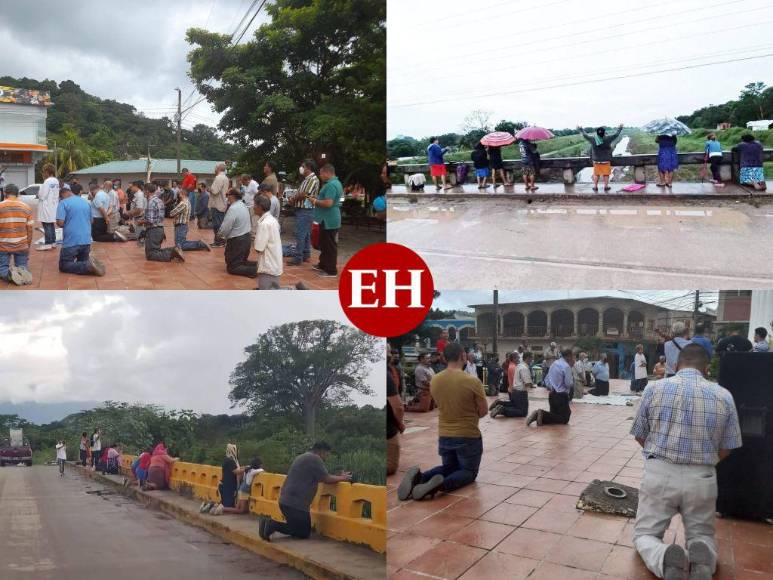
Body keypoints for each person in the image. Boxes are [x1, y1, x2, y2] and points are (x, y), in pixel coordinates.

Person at [630, 344, 742, 580]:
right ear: (707, 368)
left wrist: (659, 455)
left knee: (645, 535)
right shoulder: (724, 395)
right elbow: (728, 447)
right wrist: (704, 462)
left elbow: (640, 434)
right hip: (702, 478)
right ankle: (703, 560)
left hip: (659, 473)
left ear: (675, 365)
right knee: (702, 534)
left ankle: (663, 558)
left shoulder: (654, 389)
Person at [397, 343, 487, 501]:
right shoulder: (473, 382)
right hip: (468, 435)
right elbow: (483, 411)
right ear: (463, 356)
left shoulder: (435, 380)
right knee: (468, 472)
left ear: (444, 358)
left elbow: (440, 403)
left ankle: (421, 478)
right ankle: (440, 486)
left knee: (450, 467)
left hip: (444, 434)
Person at [259, 442, 352, 542]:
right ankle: (272, 525)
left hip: (287, 501)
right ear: (321, 451)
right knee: (303, 532)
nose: (326, 457)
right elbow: (326, 478)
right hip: (296, 504)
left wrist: (339, 476)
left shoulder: (304, 457)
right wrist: (343, 478)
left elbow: (320, 476)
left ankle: (268, 524)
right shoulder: (315, 459)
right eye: (326, 454)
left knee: (296, 528)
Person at [56, 184, 106, 276]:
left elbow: (60, 223)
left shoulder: (63, 203)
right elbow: (91, 221)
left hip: (71, 241)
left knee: (64, 265)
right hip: (86, 240)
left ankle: (87, 265)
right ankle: (88, 265)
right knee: (81, 262)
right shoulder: (86, 203)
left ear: (62, 195)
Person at [527, 348, 575, 426]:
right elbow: (568, 383)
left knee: (554, 416)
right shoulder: (566, 366)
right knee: (564, 418)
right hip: (561, 395)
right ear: (569, 356)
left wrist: (552, 387)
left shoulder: (554, 363)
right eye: (573, 356)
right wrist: (572, 380)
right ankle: (541, 413)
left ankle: (540, 415)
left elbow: (546, 379)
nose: (573, 359)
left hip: (552, 394)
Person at [311, 163, 342, 277]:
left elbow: (328, 203)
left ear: (327, 173)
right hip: (327, 219)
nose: (320, 176)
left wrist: (315, 201)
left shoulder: (331, 185)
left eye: (321, 173)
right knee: (324, 243)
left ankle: (331, 270)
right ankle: (323, 264)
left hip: (329, 220)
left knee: (329, 245)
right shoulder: (334, 183)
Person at [141, 183, 185, 263]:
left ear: (147, 191)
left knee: (151, 255)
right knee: (155, 250)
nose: (143, 192)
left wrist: (141, 222)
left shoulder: (151, 202)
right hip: (160, 229)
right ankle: (173, 249)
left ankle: (171, 253)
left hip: (153, 230)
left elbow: (150, 220)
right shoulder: (159, 200)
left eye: (144, 190)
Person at [0, 183, 34, 285]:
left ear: (5, 193)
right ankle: (22, 272)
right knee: (22, 266)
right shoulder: (26, 207)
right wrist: (27, 244)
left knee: (2, 267)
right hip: (21, 244)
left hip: (3, 245)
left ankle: (9, 275)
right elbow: (30, 229)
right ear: (17, 194)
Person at [287, 160, 319, 266]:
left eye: (303, 166)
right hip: (303, 209)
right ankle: (305, 255)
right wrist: (293, 198)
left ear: (308, 168)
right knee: (305, 234)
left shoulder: (312, 179)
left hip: (306, 210)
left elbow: (304, 194)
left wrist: (293, 200)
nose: (301, 168)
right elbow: (300, 192)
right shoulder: (307, 179)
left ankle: (298, 257)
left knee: (300, 233)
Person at [220, 188, 257, 277]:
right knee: (241, 261)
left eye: (227, 195)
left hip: (238, 241)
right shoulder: (243, 205)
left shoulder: (233, 208)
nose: (226, 198)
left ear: (232, 196)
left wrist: (220, 235)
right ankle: (258, 265)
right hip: (246, 239)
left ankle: (255, 270)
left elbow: (226, 227)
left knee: (233, 267)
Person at [578, 124, 624, 192]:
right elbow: (616, 135)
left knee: (596, 174)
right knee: (606, 174)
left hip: (596, 161)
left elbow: (585, 135)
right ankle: (606, 187)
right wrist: (620, 128)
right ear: (604, 132)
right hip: (606, 161)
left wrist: (581, 129)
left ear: (597, 133)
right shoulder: (608, 138)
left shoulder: (593, 139)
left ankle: (595, 187)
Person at [252, 194, 283, 289]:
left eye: (254, 205)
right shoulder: (272, 220)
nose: (253, 207)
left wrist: (255, 239)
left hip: (268, 266)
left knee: (267, 292)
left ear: (260, 207)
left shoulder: (264, 224)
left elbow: (258, 248)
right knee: (273, 289)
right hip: (275, 263)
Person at [490, 352, 532, 418]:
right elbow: (527, 383)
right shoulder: (523, 368)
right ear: (528, 358)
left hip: (515, 390)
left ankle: (500, 405)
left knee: (514, 405)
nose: (532, 360)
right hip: (520, 392)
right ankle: (502, 410)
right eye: (531, 358)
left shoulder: (518, 366)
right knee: (523, 412)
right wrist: (530, 384)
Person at [169, 188, 210, 252]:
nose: (178, 194)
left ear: (182, 194)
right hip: (183, 225)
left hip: (181, 225)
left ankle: (200, 244)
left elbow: (172, 213)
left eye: (179, 193)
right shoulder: (187, 202)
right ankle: (199, 244)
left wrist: (174, 206)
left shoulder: (183, 203)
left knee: (180, 245)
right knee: (180, 243)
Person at [387, 346, 406, 476]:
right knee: (391, 467)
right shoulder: (385, 374)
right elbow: (398, 406)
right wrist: (399, 423)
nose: (392, 354)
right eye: (388, 351)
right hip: (387, 428)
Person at [37, 163, 59, 250]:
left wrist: (38, 193)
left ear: (47, 171)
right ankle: (53, 242)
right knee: (51, 224)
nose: (43, 173)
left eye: (44, 171)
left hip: (46, 206)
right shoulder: (55, 180)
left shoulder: (47, 181)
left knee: (46, 225)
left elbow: (42, 195)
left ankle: (48, 243)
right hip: (53, 206)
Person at [209, 163, 230, 247]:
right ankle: (219, 241)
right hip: (221, 203)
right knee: (220, 223)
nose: (214, 169)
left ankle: (219, 242)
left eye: (215, 167)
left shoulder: (219, 177)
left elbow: (214, 191)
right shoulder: (225, 177)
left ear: (218, 168)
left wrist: (209, 189)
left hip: (217, 204)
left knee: (217, 224)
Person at [240, 173, 259, 238]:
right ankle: (251, 235)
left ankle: (254, 236)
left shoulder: (253, 184)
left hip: (253, 206)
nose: (242, 183)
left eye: (243, 182)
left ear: (247, 180)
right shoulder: (246, 185)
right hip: (247, 206)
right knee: (249, 222)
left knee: (254, 221)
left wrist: (255, 202)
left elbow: (258, 193)